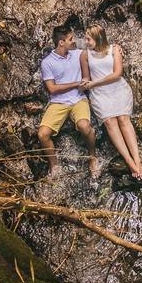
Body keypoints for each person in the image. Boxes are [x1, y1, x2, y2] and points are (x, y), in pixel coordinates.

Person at [80, 24, 142, 179]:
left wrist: (94, 83)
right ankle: (129, 161)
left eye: (88, 39)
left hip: (118, 89)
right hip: (100, 94)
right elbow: (86, 77)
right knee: (110, 122)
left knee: (123, 119)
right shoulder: (85, 54)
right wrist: (84, 83)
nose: (86, 42)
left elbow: (117, 74)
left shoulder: (114, 49)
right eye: (85, 39)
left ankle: (137, 160)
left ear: (98, 38)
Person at [38, 25, 98, 175]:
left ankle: (92, 157)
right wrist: (76, 84)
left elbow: (99, 49)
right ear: (61, 42)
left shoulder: (78, 54)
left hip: (79, 100)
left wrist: (115, 48)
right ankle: (54, 166)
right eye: (71, 39)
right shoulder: (47, 62)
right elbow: (52, 89)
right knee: (42, 134)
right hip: (58, 102)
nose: (74, 41)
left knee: (85, 126)